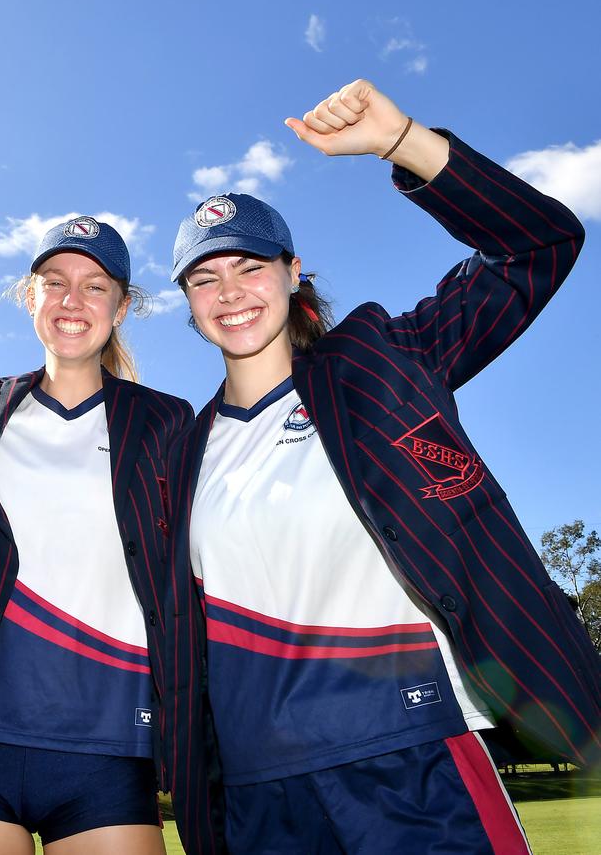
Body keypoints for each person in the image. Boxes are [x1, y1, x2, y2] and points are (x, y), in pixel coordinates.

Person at [163, 80, 601, 854]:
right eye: (205, 277)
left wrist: (403, 141)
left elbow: (539, 243)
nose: (229, 292)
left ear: (293, 271)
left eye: (249, 266)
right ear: (189, 302)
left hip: (412, 758)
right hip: (258, 794)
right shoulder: (180, 453)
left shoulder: (380, 362)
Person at [0, 217, 192, 854]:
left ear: (122, 305)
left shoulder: (165, 420)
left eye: (95, 285)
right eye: (54, 282)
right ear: (30, 295)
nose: (71, 301)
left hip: (110, 745)